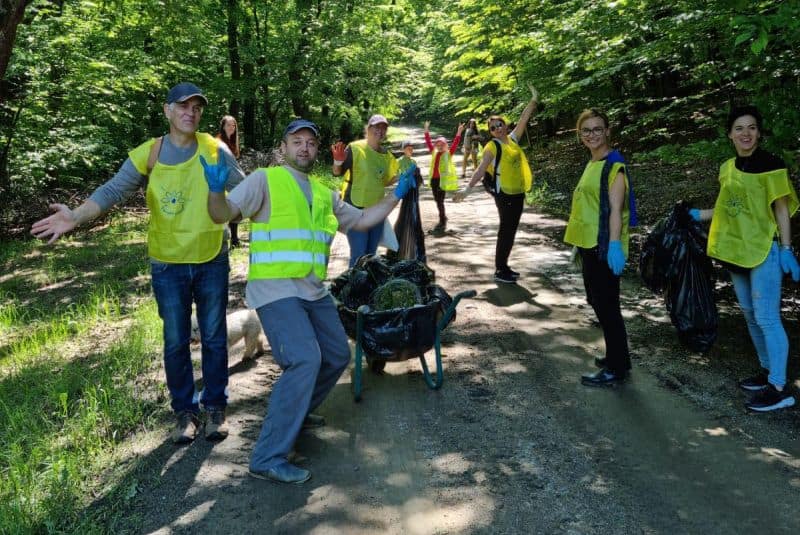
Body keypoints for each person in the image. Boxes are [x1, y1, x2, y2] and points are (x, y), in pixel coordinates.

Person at [204, 118, 417, 484]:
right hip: (275, 289)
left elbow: (364, 219)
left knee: (336, 354)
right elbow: (221, 214)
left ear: (316, 151)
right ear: (283, 148)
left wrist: (395, 195)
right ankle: (267, 457)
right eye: (296, 141)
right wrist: (215, 192)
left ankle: (297, 413)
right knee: (304, 358)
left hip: (312, 291)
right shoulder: (264, 180)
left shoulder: (323, 193)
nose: (304, 147)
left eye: (310, 143)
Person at [31, 82, 245, 444]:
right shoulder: (149, 153)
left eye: (197, 108)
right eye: (183, 106)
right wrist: (76, 217)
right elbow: (113, 190)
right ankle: (184, 412)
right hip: (167, 263)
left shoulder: (215, 149)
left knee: (213, 337)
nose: (190, 113)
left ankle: (215, 408)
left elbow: (244, 192)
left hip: (211, 258)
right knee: (176, 341)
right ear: (167, 111)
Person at [689, 105, 799, 411]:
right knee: (750, 314)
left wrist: (786, 249)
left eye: (751, 127)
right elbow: (727, 207)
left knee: (767, 317)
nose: (745, 133)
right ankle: (767, 371)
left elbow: (781, 209)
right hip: (736, 249)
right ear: (729, 135)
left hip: (764, 248)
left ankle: (779, 388)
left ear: (759, 133)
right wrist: (700, 215)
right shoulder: (727, 168)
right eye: (739, 128)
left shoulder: (772, 166)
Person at [564, 109, 638, 387]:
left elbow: (615, 210)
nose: (592, 134)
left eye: (597, 129)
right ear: (580, 135)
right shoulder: (593, 162)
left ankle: (616, 369)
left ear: (608, 131)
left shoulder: (613, 165)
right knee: (598, 302)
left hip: (604, 246)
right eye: (586, 130)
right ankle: (618, 357)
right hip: (587, 244)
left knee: (607, 307)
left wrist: (615, 245)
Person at [454, 85, 538, 283]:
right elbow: (481, 169)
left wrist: (533, 100)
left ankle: (504, 265)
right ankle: (500, 270)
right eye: (493, 128)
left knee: (511, 229)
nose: (497, 128)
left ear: (505, 125)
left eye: (499, 124)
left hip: (518, 192)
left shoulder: (513, 140)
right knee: (506, 230)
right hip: (504, 194)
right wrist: (466, 190)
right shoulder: (492, 146)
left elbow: (524, 119)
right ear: (490, 133)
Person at [331, 114, 400, 267]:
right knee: (359, 255)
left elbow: (386, 180)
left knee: (371, 254)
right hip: (356, 210)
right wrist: (337, 162)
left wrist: (404, 177)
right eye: (376, 127)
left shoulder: (386, 155)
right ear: (368, 129)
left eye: (383, 128)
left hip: (377, 211)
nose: (380, 131)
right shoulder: (355, 148)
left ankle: (366, 287)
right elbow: (337, 172)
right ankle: (353, 288)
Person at [423, 121, 464, 232]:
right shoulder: (434, 152)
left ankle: (442, 220)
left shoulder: (448, 154)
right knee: (437, 200)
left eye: (442, 145)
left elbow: (455, 143)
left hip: (442, 182)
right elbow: (428, 142)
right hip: (434, 181)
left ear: (445, 146)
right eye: (438, 145)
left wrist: (459, 132)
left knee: (440, 201)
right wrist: (426, 130)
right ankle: (443, 217)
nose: (440, 147)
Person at [216, 115, 243, 248]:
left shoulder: (232, 141)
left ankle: (234, 238)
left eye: (234, 125)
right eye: (229, 125)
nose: (232, 127)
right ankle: (231, 237)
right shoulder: (219, 142)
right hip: (220, 175)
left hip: (228, 175)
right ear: (223, 126)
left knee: (235, 204)